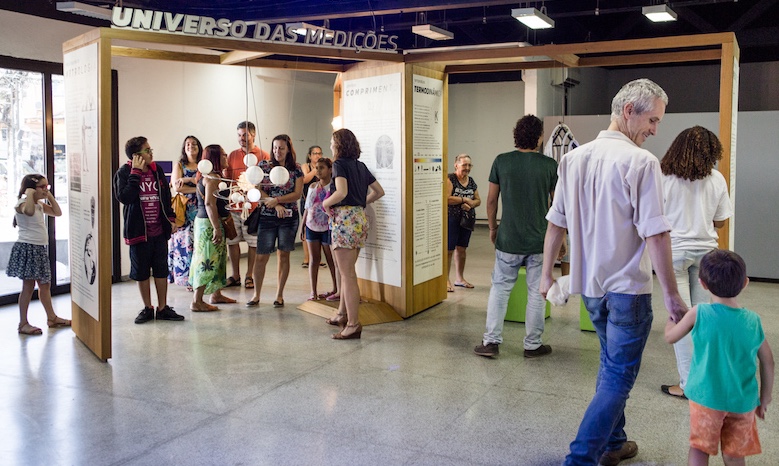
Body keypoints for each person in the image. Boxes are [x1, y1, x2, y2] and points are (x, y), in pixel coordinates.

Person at [540, 78, 687, 466]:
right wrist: (673, 297)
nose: (655, 130)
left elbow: (556, 223)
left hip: (592, 289)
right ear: (628, 111)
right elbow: (655, 234)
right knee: (619, 376)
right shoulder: (642, 162)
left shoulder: (573, 159)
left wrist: (545, 276)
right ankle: (580, 458)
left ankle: (615, 442)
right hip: (628, 292)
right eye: (652, 121)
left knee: (610, 367)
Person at [665, 249, 774, 466]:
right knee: (734, 454)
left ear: (702, 284)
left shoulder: (699, 313)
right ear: (745, 283)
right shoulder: (753, 320)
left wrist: (671, 320)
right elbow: (768, 360)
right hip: (742, 402)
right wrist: (765, 397)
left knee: (699, 449)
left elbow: (670, 337)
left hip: (706, 399)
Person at [473, 115, 557, 359]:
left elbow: (490, 200)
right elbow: (558, 206)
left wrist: (491, 228)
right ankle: (532, 345)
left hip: (508, 238)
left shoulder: (502, 161)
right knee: (536, 292)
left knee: (500, 289)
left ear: (516, 135)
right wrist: (560, 239)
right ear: (539, 137)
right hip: (540, 241)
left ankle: (490, 342)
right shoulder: (549, 166)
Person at [659, 126, 733, 400]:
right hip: (706, 257)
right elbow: (721, 221)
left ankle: (689, 385)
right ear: (712, 152)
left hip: (673, 255)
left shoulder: (664, 178)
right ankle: (705, 381)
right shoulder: (716, 179)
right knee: (702, 321)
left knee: (681, 319)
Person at [114, 136, 185, 324]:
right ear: (137, 155)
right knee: (142, 272)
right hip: (139, 232)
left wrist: (170, 219)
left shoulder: (157, 170)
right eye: (147, 150)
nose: (151, 153)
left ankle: (162, 308)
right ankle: (147, 308)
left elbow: (165, 196)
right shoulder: (124, 172)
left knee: (161, 270)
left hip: (159, 231)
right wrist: (135, 173)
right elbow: (125, 197)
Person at [322, 128, 385, 339]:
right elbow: (379, 191)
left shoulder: (339, 165)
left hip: (344, 220)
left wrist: (325, 203)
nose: (330, 145)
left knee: (347, 274)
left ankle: (353, 323)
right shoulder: (360, 166)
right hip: (359, 219)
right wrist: (360, 203)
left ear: (338, 144)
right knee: (346, 271)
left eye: (332, 142)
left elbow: (341, 192)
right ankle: (341, 313)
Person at [6, 174, 70, 335]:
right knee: (28, 286)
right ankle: (23, 323)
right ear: (31, 188)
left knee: (45, 285)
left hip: (40, 249)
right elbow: (27, 211)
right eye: (42, 187)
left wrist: (49, 196)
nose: (45, 190)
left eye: (47, 187)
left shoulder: (40, 205)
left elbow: (57, 212)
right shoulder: (22, 203)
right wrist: (28, 195)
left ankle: (52, 317)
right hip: (28, 248)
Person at [247, 134, 303, 308]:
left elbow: (297, 194)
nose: (277, 151)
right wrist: (273, 203)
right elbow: (258, 189)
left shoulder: (296, 169)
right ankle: (256, 295)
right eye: (275, 147)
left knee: (283, 255)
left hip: (289, 218)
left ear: (288, 149)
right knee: (261, 256)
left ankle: (279, 295)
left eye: (281, 148)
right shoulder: (264, 166)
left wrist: (278, 201)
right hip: (267, 217)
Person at [189, 144, 237, 311]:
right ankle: (197, 301)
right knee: (207, 259)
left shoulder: (210, 175)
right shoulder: (212, 178)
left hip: (207, 222)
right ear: (215, 158)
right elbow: (210, 203)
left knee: (218, 257)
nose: (226, 158)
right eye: (223, 155)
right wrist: (216, 227)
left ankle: (216, 294)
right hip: (209, 224)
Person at [224, 121, 270, 290]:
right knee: (233, 241)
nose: (242, 138)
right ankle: (235, 275)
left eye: (245, 135)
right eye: (239, 135)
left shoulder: (264, 155)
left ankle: (249, 275)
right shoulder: (232, 155)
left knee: (253, 243)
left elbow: (267, 180)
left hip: (254, 208)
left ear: (253, 135)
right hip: (235, 206)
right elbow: (228, 180)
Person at [168, 135, 202, 291]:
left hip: (201, 208)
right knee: (185, 244)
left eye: (194, 144)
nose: (191, 146)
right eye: (188, 144)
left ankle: (199, 277)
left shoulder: (203, 164)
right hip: (185, 209)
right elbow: (177, 187)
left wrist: (187, 181)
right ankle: (187, 279)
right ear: (184, 147)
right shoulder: (180, 165)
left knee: (199, 244)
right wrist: (198, 188)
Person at [301, 157, 338, 300]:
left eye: (322, 167)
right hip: (312, 226)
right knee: (314, 259)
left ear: (330, 170)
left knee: (331, 259)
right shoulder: (312, 187)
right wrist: (303, 225)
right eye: (316, 168)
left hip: (328, 227)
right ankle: (313, 291)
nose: (318, 170)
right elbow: (307, 207)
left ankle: (336, 288)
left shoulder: (334, 187)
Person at [446, 153, 481, 292]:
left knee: (462, 249)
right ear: (456, 165)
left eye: (469, 165)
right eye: (464, 165)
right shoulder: (450, 179)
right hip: (452, 218)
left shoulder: (471, 181)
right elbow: (446, 198)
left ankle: (459, 279)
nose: (467, 168)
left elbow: (478, 199)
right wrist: (464, 200)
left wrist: (471, 203)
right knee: (448, 250)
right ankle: (445, 280)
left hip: (466, 220)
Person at [300, 145, 326, 268]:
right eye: (315, 153)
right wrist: (316, 169)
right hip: (307, 202)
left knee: (319, 229)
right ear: (310, 156)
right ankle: (307, 258)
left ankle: (317, 258)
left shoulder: (324, 167)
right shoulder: (306, 166)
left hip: (320, 205)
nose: (317, 156)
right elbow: (305, 179)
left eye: (319, 153)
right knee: (307, 228)